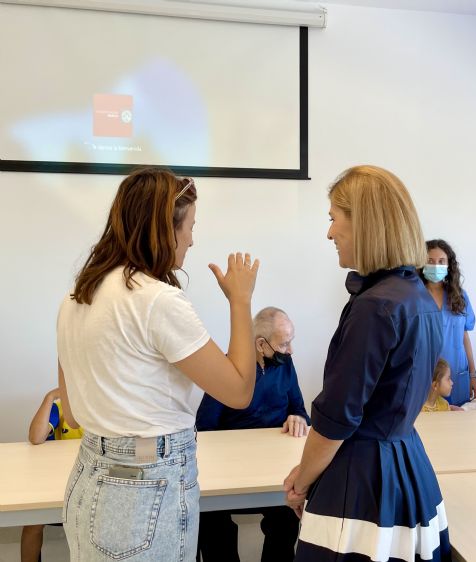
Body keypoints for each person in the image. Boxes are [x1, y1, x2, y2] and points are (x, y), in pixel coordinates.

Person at [56, 168, 259, 562]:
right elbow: (238, 392)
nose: (192, 239)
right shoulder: (155, 300)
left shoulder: (76, 297)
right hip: (145, 485)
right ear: (165, 229)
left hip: (86, 480)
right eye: (190, 226)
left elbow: (71, 412)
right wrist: (241, 301)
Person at [284, 165, 451, 562]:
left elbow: (337, 419)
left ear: (366, 223)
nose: (329, 233)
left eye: (333, 219)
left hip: (361, 480)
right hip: (408, 465)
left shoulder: (374, 306)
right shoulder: (418, 298)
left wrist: (301, 480)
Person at [196, 306, 309, 562]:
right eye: (285, 344)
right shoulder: (227, 368)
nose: (291, 351)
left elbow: (299, 409)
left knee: (287, 515)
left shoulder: (285, 365)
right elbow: (204, 427)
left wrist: (299, 418)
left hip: (274, 467)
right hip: (230, 471)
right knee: (210, 519)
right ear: (261, 344)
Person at [21, 388, 83, 562]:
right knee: (32, 522)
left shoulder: (101, 409)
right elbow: (35, 437)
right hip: (57, 479)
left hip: (87, 477)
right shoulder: (59, 408)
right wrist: (50, 397)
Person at [421, 239, 476, 406]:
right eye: (430, 261)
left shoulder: (459, 296)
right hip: (427, 373)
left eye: (441, 261)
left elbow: (464, 336)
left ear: (449, 265)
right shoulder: (414, 296)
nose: (436, 266)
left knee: (457, 423)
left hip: (457, 374)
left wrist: (473, 375)